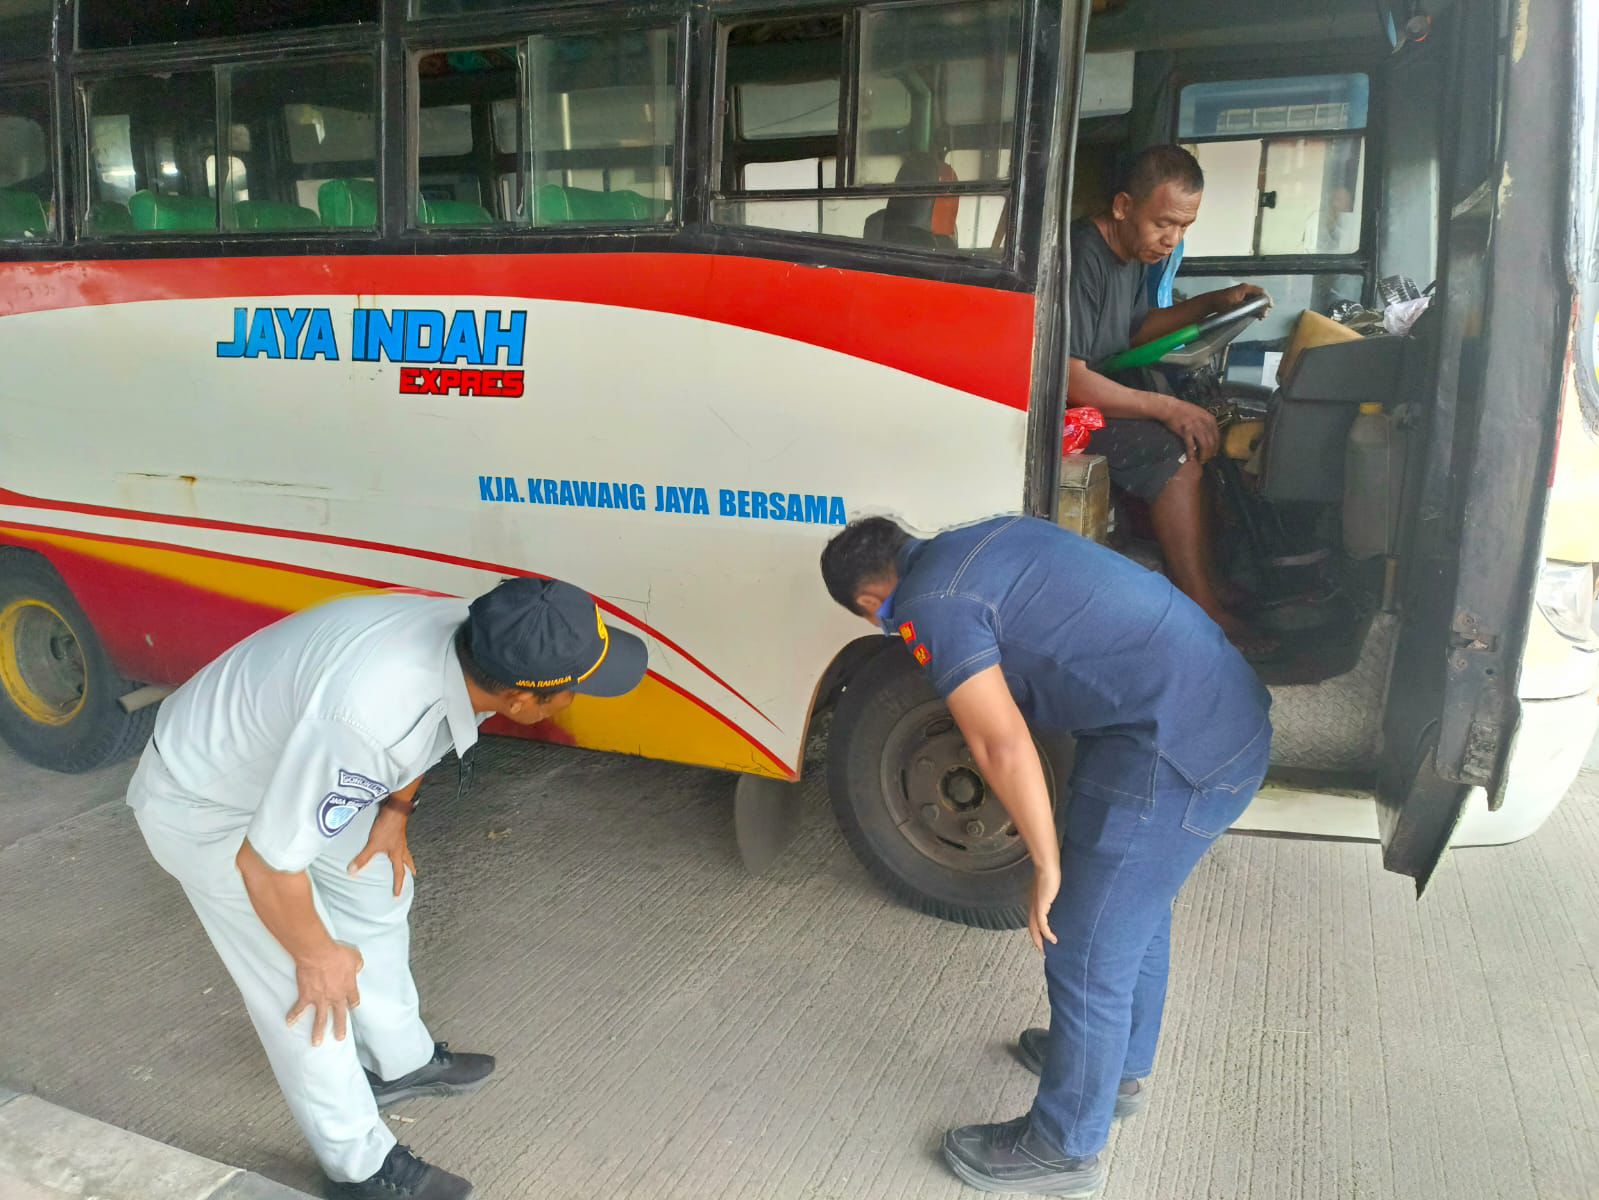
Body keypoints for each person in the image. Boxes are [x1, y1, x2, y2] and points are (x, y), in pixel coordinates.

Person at [127, 578, 647, 1199]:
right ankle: (360, 1167)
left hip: (295, 762)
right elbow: (265, 865)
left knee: (376, 891)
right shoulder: (370, 719)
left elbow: (431, 721)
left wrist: (395, 812)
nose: (581, 695)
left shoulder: (483, 633)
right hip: (208, 799)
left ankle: (400, 1062)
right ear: (523, 701)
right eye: (577, 689)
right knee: (307, 992)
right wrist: (318, 955)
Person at [820, 515, 1272, 1198]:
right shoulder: (981, 539)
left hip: (1173, 747)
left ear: (866, 603)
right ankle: (1112, 1069)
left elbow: (999, 745)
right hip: (1201, 714)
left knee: (1083, 946)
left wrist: (1044, 863)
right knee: (1130, 913)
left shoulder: (928, 607)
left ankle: (1063, 1148)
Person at [1069, 144, 1271, 653]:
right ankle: (1202, 608)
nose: (1172, 239)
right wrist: (1171, 408)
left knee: (1199, 438)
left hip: (1100, 395)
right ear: (1122, 206)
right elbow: (1073, 381)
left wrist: (1212, 303)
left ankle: (1206, 578)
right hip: (1066, 411)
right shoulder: (1082, 258)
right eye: (1164, 224)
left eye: (1184, 228)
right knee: (1174, 452)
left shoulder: (1132, 254)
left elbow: (1137, 331)